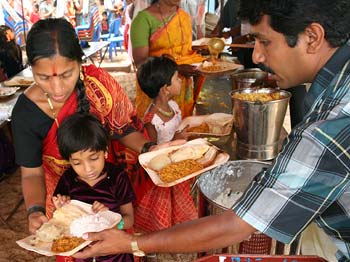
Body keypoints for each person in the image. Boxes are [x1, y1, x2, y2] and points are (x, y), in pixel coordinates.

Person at [74, 0, 350, 261]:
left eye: (264, 41)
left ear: (312, 37)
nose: (256, 54)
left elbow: (237, 224)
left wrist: (131, 243)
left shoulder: (330, 123)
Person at [11, 18, 174, 239]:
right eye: (44, 78)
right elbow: (31, 173)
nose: (57, 89)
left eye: (67, 75)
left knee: (114, 245)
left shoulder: (98, 85)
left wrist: (149, 149)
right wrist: (35, 210)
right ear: (31, 69)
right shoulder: (26, 112)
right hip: (66, 201)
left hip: (107, 193)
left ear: (80, 63)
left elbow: (122, 130)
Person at [135, 55, 197, 261]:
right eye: (177, 79)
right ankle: (154, 248)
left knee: (179, 210)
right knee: (160, 215)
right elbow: (151, 153)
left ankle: (177, 242)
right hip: (161, 180)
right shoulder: (152, 120)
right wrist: (176, 140)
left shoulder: (173, 108)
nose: (181, 81)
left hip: (178, 174)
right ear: (165, 88)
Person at [54, 112, 135, 262]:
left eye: (93, 158)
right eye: (77, 163)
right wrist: (61, 208)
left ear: (104, 151)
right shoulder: (68, 180)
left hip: (116, 255)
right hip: (84, 256)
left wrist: (109, 219)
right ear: (69, 161)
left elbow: (129, 219)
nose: (88, 168)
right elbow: (63, 224)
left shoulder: (117, 177)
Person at [130, 0, 205, 119]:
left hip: (181, 86)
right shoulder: (143, 20)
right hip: (157, 90)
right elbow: (141, 62)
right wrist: (177, 68)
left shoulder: (184, 16)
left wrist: (198, 51)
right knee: (158, 132)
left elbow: (183, 49)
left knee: (181, 127)